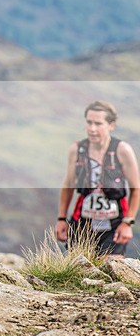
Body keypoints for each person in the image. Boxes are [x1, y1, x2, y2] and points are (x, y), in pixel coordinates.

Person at [56, 100, 140, 257]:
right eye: (89, 123)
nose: (92, 129)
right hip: (82, 223)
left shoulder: (122, 151)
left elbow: (136, 189)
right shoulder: (77, 149)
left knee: (110, 271)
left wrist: (128, 222)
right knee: (79, 273)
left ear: (111, 125)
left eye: (98, 124)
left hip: (113, 225)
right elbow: (68, 185)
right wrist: (61, 218)